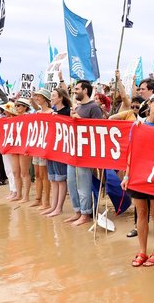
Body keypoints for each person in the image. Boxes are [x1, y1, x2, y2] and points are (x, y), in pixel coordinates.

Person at [120, 92, 154, 268]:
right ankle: (142, 251)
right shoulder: (137, 125)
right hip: (138, 173)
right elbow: (131, 152)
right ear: (149, 103)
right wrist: (127, 175)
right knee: (141, 212)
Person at [67, 80, 101, 226]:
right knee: (72, 182)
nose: (74, 91)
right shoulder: (78, 107)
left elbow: (98, 128)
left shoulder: (94, 107)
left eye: (77, 88)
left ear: (85, 90)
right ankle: (77, 211)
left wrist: (79, 119)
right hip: (73, 150)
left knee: (83, 183)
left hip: (86, 152)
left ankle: (86, 213)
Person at [45, 87, 71, 217]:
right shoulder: (53, 111)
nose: (51, 98)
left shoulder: (67, 112)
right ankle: (53, 206)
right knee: (53, 179)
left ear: (60, 97)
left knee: (61, 179)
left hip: (61, 149)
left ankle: (59, 207)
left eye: (54, 95)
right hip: (51, 148)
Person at [29, 90, 52, 211]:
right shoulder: (38, 112)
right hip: (37, 144)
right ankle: (38, 199)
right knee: (37, 174)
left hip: (45, 145)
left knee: (44, 174)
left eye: (39, 96)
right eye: (36, 96)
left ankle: (46, 201)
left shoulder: (51, 112)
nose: (37, 98)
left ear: (45, 98)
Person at [12, 98, 34, 202]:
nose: (16, 108)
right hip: (15, 145)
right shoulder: (13, 118)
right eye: (16, 106)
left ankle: (26, 196)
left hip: (25, 146)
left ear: (25, 107)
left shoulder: (29, 117)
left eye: (19, 106)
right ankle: (18, 194)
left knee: (24, 172)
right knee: (15, 171)